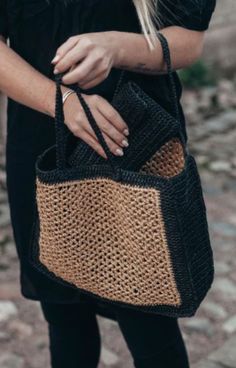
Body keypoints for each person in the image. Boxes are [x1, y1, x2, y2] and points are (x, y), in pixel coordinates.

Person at [0, 1, 216, 367]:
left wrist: (115, 47)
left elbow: (189, 42)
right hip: (40, 148)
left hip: (136, 143)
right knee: (64, 317)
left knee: (151, 325)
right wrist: (62, 102)